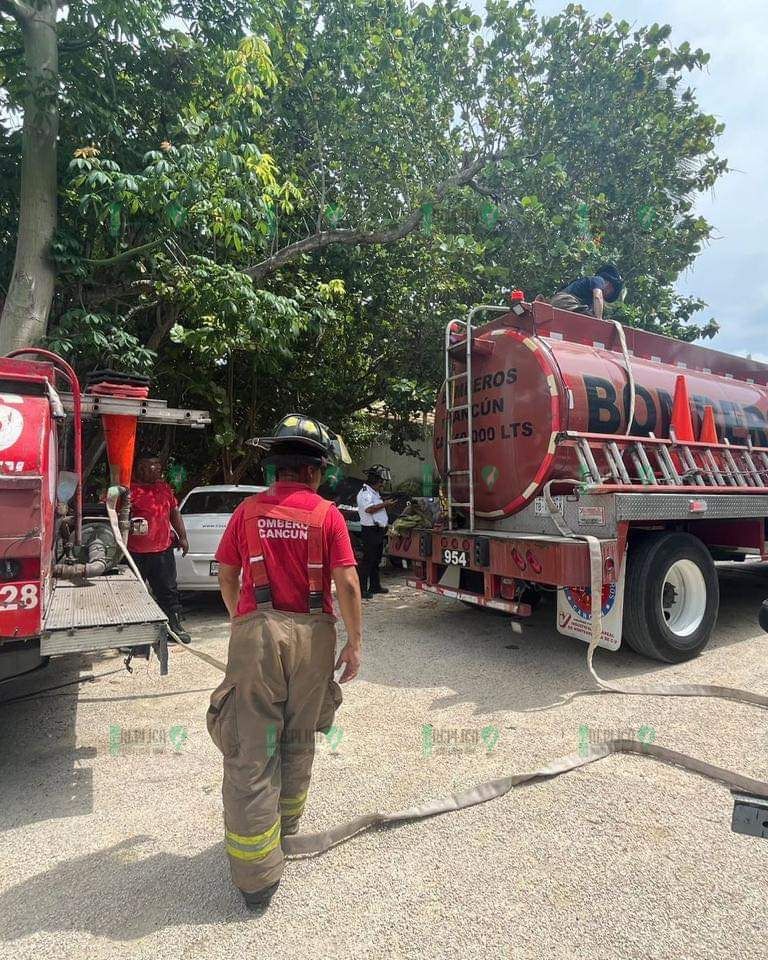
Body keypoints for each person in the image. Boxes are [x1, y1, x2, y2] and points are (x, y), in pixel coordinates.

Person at [210, 414, 362, 911]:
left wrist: (243, 622)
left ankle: (256, 882)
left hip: (260, 635)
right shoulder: (329, 516)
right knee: (298, 739)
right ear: (315, 473)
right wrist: (353, 643)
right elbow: (348, 584)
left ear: (275, 469)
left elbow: (228, 576)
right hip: (315, 638)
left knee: (252, 750)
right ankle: (286, 831)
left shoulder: (247, 512)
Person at [128, 453, 191, 644]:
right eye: (151, 465)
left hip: (162, 550)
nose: (156, 469)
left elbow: (174, 512)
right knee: (133, 593)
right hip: (134, 552)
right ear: (140, 468)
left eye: (157, 464)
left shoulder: (164, 489)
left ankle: (174, 627)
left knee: (168, 590)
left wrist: (183, 537)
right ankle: (132, 635)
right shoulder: (129, 491)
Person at [356, 465, 396, 599]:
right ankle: (362, 590)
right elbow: (369, 509)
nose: (382, 484)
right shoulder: (365, 493)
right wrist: (386, 504)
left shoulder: (374, 492)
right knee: (368, 561)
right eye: (381, 482)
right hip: (370, 530)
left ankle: (375, 586)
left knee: (376, 560)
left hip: (377, 530)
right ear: (375, 481)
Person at [551, 263, 624, 319]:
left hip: (558, 304)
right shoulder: (599, 280)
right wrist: (600, 322)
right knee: (591, 320)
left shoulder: (589, 296)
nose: (607, 294)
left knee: (589, 316)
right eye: (610, 291)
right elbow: (598, 297)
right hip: (565, 301)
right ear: (609, 284)